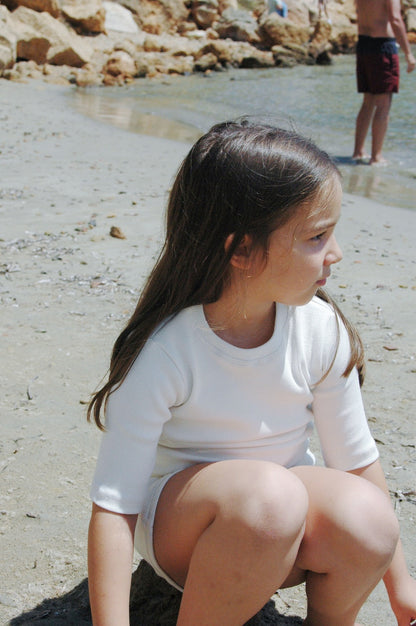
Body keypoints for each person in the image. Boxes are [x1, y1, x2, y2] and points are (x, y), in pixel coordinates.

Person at [87, 120, 416, 626]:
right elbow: (114, 507)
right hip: (190, 535)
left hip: (285, 524)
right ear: (241, 250)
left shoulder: (319, 327)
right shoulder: (167, 351)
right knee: (271, 498)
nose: (337, 253)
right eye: (317, 236)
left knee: (369, 517)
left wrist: (403, 587)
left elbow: (355, 462)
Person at [353, 0, 415, 165]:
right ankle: (376, 157)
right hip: (382, 47)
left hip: (364, 44)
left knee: (368, 102)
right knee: (383, 104)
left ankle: (358, 151)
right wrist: (408, 53)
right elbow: (395, 19)